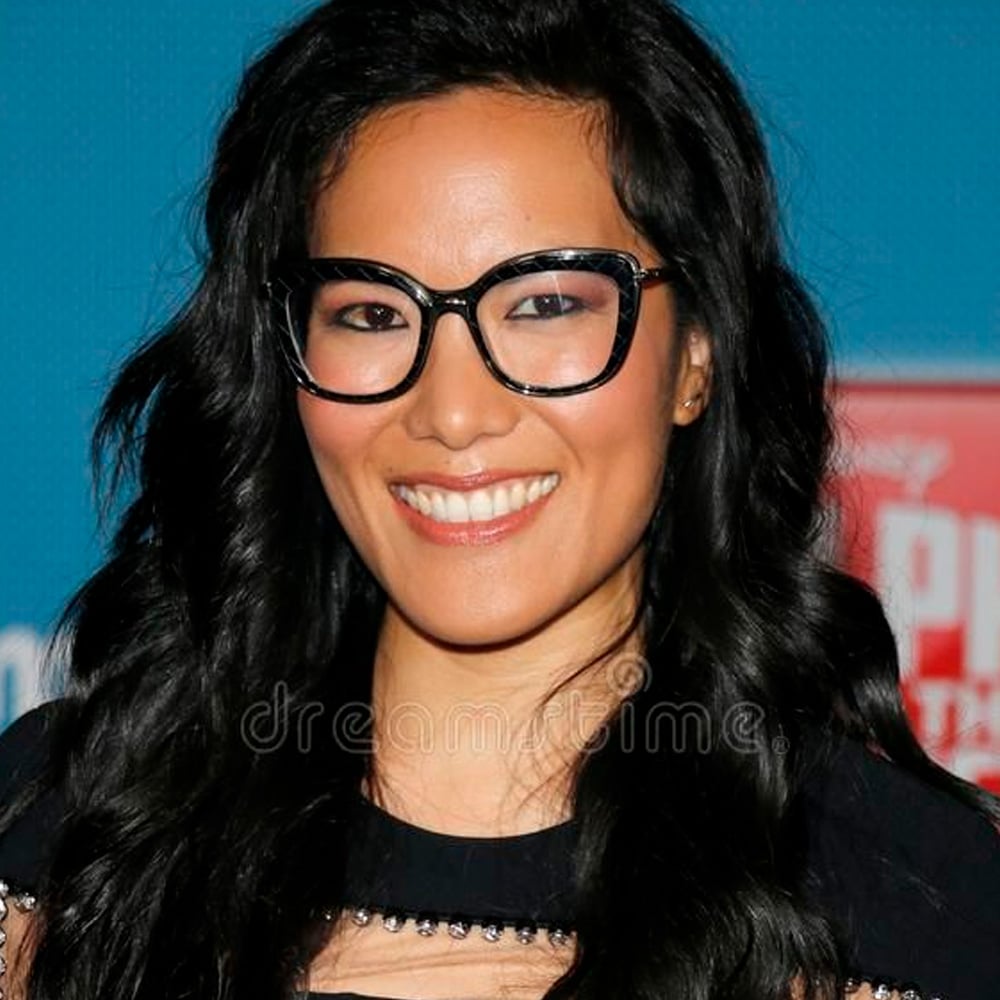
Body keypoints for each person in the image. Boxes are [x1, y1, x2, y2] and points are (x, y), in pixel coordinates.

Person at [1, 0, 999, 998]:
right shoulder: (68, 833)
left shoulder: (920, 907)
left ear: (697, 353)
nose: (453, 412)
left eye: (546, 305)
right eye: (372, 313)